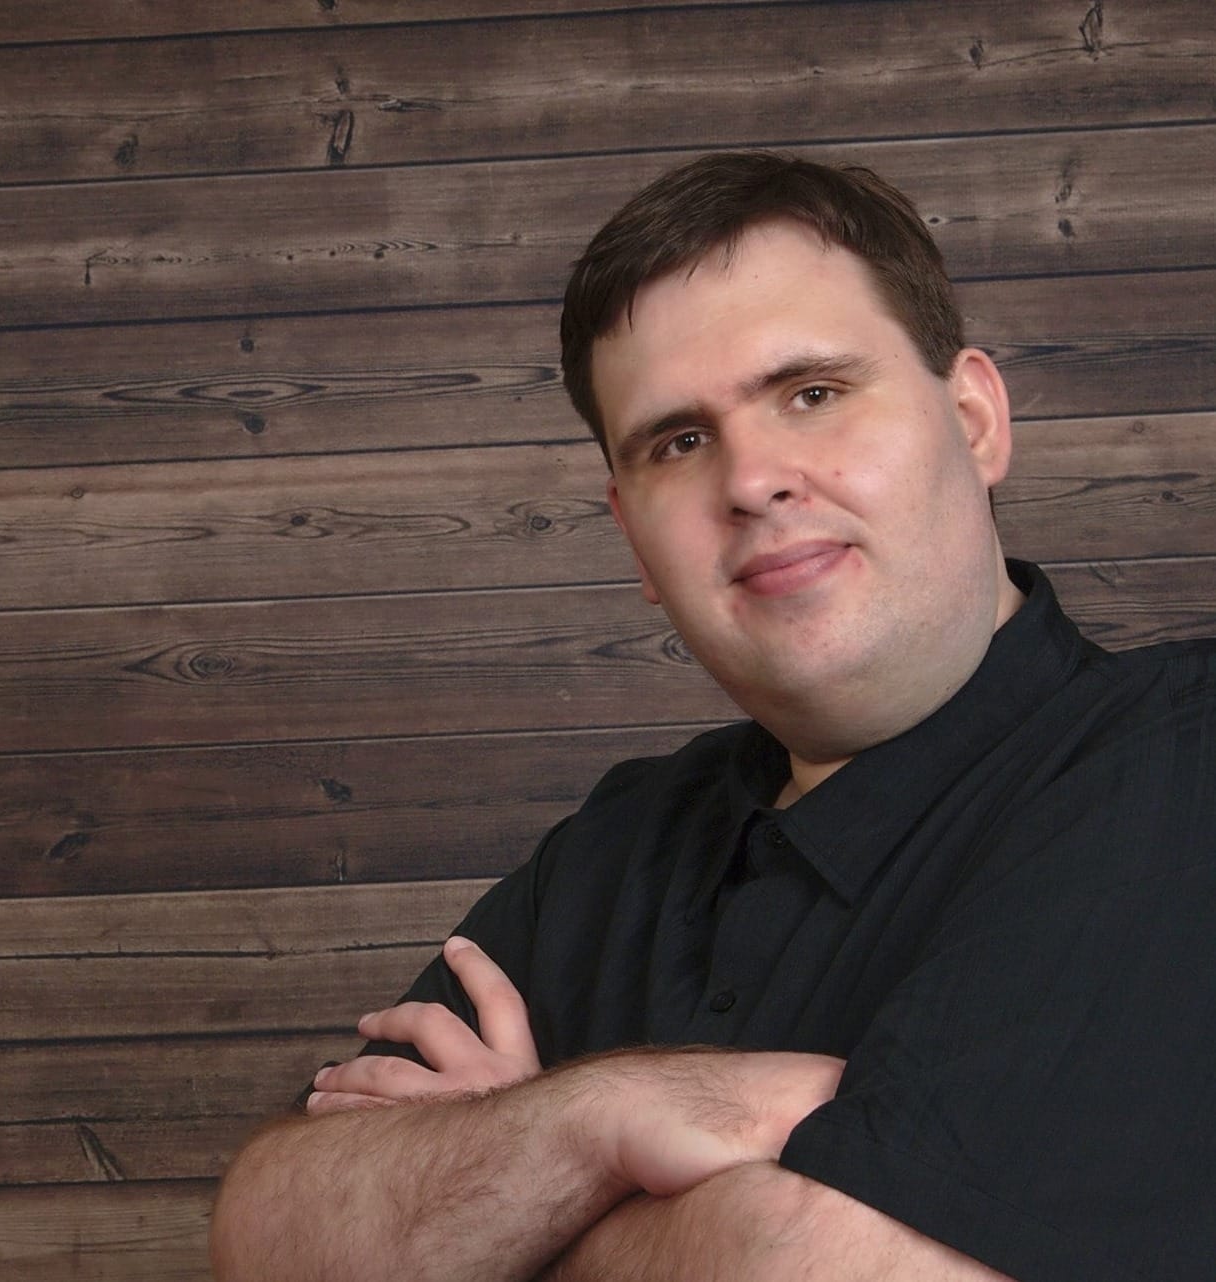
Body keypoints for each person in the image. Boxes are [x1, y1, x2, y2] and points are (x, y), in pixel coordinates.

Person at [210, 152, 1216, 1281]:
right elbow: (270, 1229)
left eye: (813, 393)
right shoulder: (620, 841)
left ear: (975, 419)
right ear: (634, 537)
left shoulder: (1176, 764)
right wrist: (604, 1120)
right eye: (677, 441)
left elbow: (807, 1267)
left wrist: (510, 1191)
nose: (751, 478)